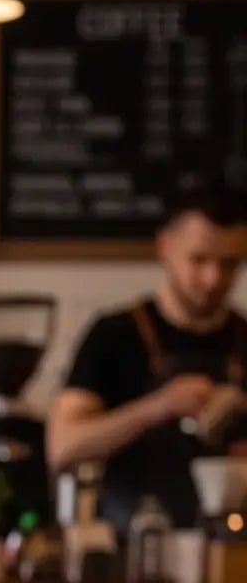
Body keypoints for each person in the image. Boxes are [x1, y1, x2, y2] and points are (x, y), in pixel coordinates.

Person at [50, 179, 247, 532]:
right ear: (165, 246)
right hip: (131, 551)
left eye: (230, 264)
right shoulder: (115, 335)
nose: (213, 279)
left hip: (234, 560)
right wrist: (159, 406)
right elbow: (63, 447)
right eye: (199, 260)